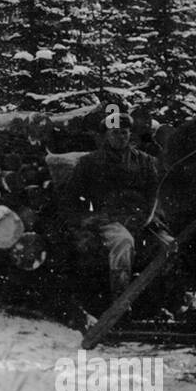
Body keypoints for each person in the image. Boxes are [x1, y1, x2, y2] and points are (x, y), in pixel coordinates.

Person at [63, 112, 161, 300]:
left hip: (142, 219)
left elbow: (155, 194)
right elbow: (70, 197)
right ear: (106, 136)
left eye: (124, 133)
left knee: (169, 245)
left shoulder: (145, 161)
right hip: (109, 220)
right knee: (123, 243)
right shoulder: (90, 162)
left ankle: (168, 301)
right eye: (115, 133)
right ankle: (121, 302)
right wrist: (84, 218)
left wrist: (152, 217)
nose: (121, 137)